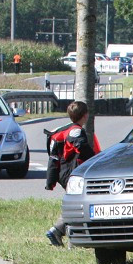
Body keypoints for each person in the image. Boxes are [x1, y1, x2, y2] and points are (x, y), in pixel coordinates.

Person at [44, 101, 101, 247]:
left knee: (77, 203)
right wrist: (95, 160)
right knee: (79, 205)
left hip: (62, 173)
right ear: (85, 115)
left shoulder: (62, 129)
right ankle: (67, 237)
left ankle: (58, 231)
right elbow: (81, 146)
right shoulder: (75, 131)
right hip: (71, 173)